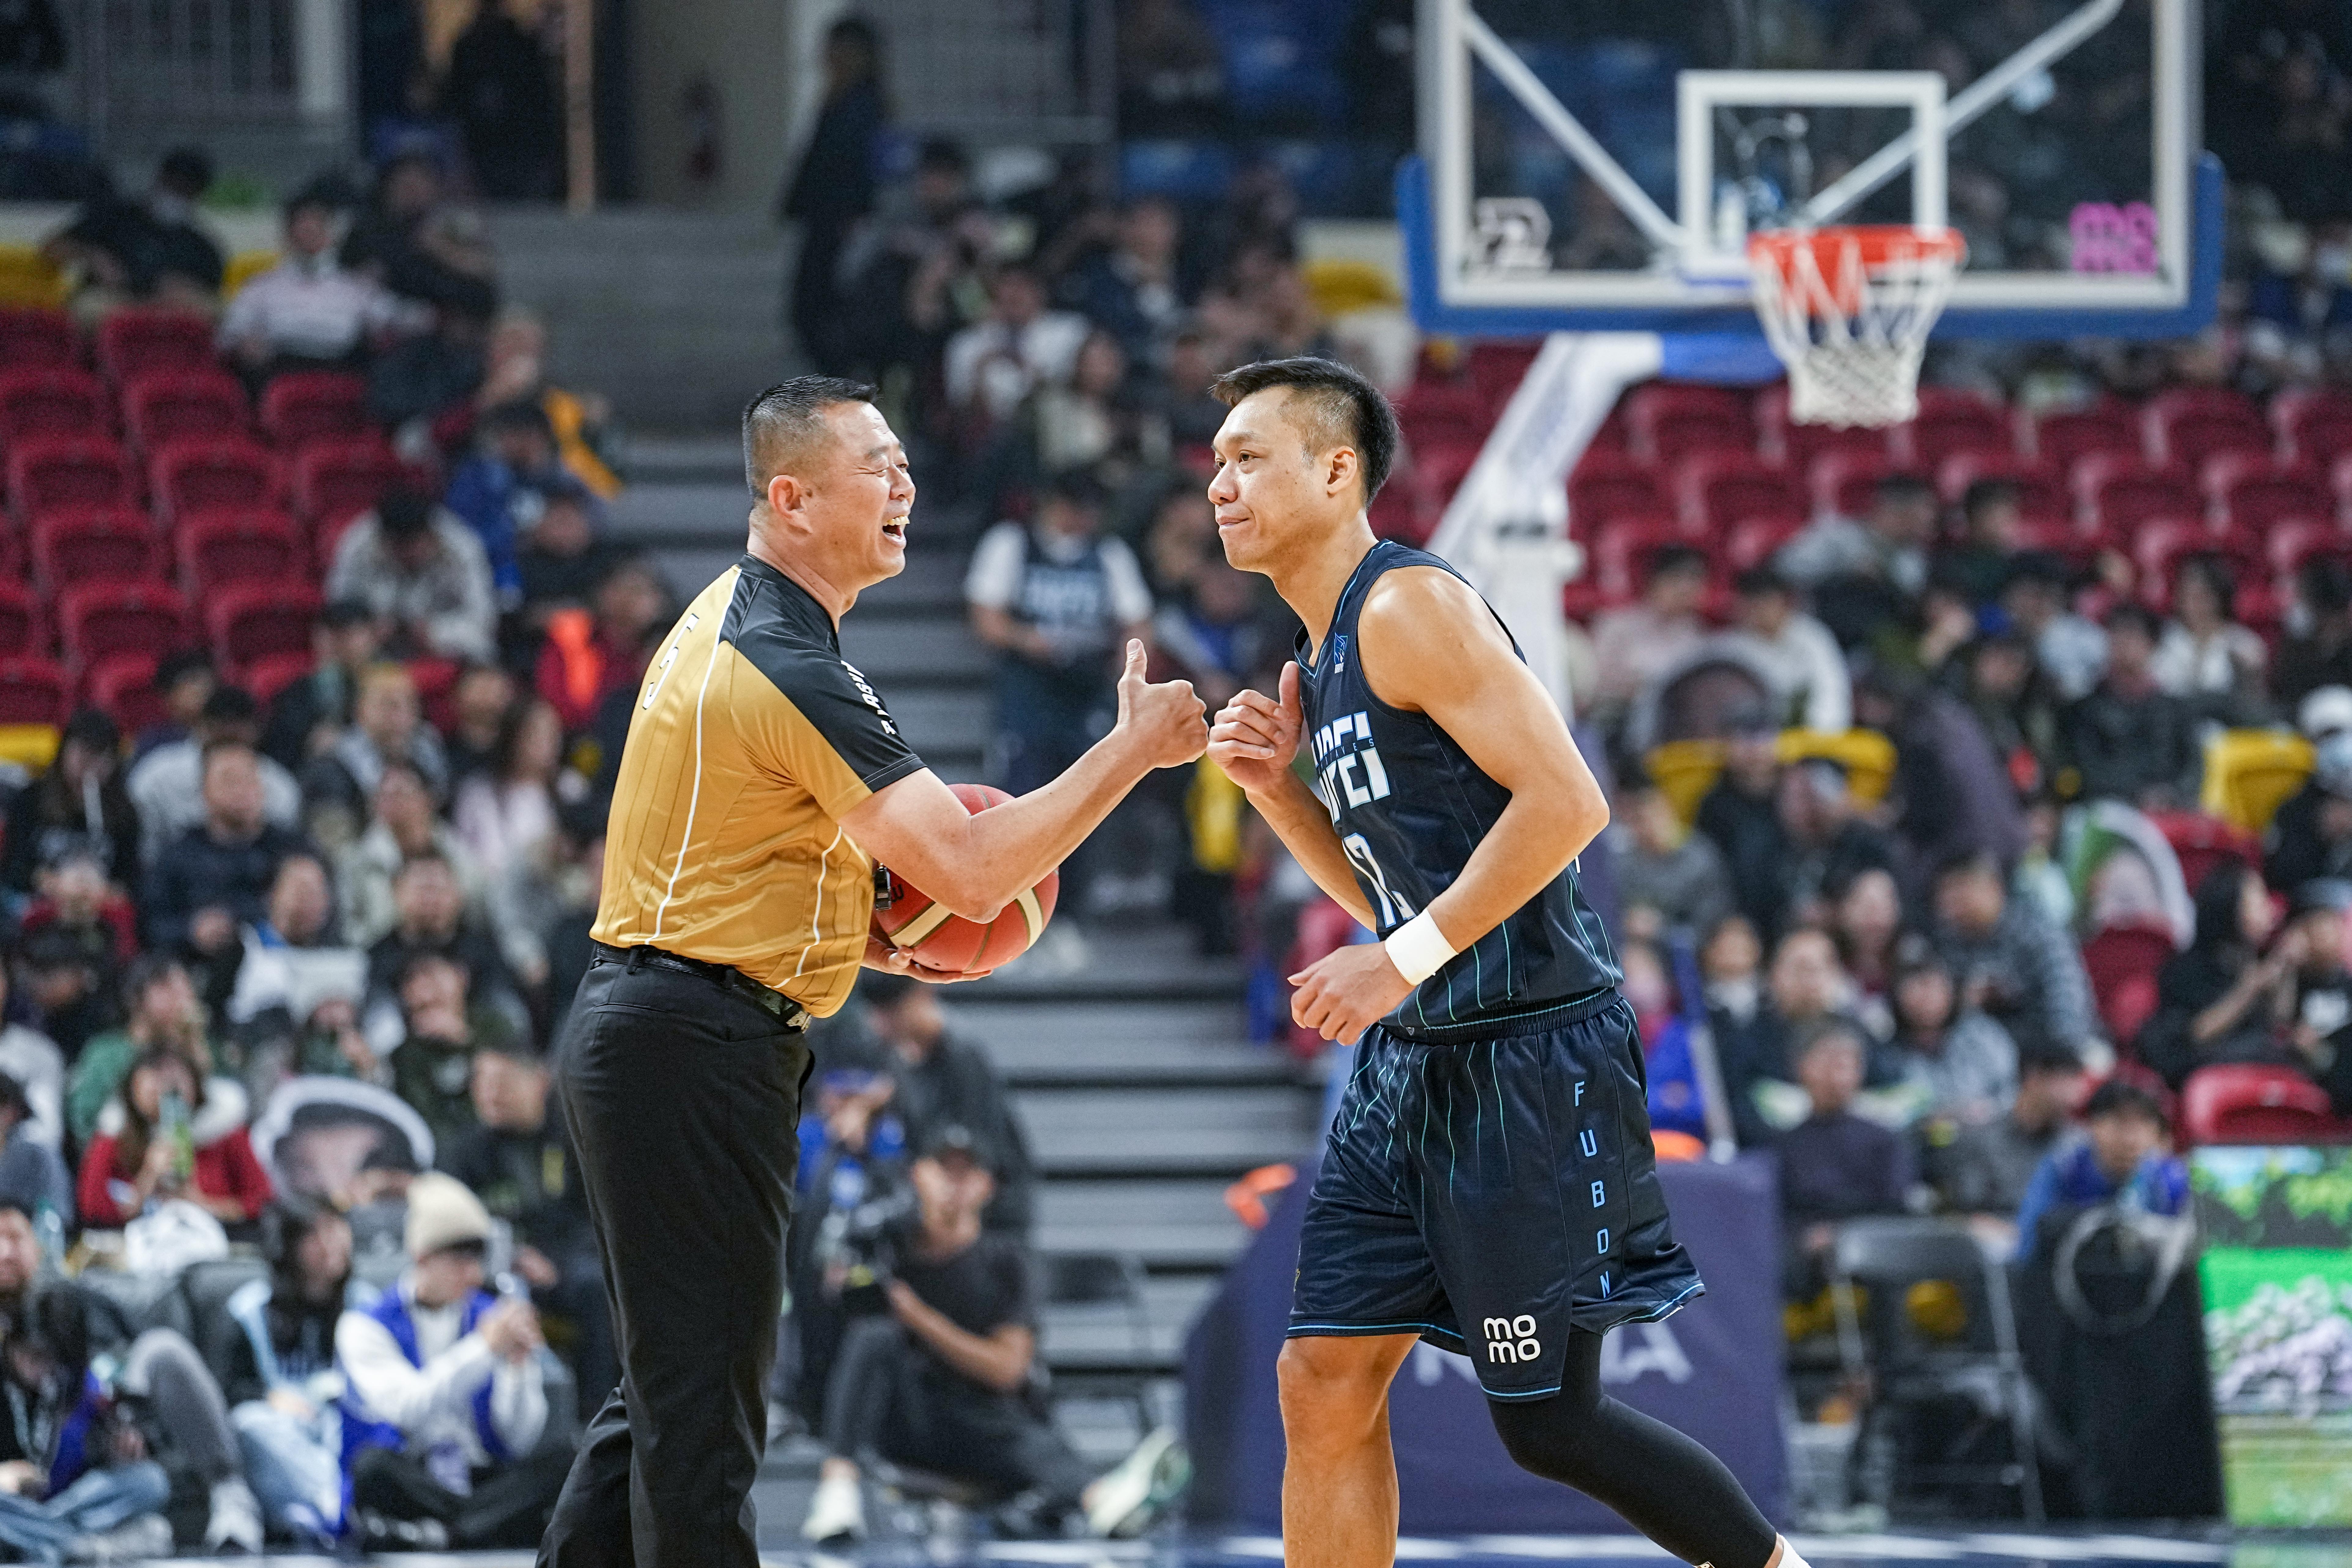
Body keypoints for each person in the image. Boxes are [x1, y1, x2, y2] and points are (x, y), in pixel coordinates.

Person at [537, 376, 1204, 1565]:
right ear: (792, 499)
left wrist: (856, 930)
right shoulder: (783, 658)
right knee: (700, 1424)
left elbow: (737, 857)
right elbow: (971, 870)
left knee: (666, 1401)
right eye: (878, 466)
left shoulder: (740, 617)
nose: (906, 484)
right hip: (687, 1041)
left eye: (904, 463)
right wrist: (1130, 750)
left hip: (672, 1026)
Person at [1198, 358, 1802, 1568]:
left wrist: (1398, 961)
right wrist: (1274, 790)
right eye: (1216, 462)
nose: (1219, 483)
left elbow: (1570, 803)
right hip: (1412, 1061)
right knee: (1321, 1376)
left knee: (1549, 1425)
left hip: (1526, 1052)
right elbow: (1390, 890)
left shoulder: (1405, 608)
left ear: (1335, 470)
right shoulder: (1322, 648)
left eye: (1247, 457)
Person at [799, 1130, 1175, 1543]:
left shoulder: (1006, 1262)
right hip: (906, 1418)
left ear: (987, 1185)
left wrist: (918, 1317)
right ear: (917, 1175)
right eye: (943, 1170)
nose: (953, 1184)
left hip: (980, 1423)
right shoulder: (885, 1251)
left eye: (966, 1172)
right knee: (874, 1335)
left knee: (1009, 1421)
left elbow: (1007, 1371)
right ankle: (837, 1491)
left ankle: (1103, 1499)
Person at [336, 1172, 567, 1550]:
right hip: (414, 1474)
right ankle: (484, 1527)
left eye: (478, 1260)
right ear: (422, 1257)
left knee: (567, 1461)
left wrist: (518, 1368)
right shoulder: (365, 1326)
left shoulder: (489, 1314)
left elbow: (518, 1441)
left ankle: (447, 1534)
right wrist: (484, 1349)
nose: (473, 1275)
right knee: (371, 1468)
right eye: (460, 1261)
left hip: (479, 1475)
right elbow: (409, 1408)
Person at [965, 470, 1156, 923]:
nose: (1083, 519)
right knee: (1018, 800)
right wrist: (1030, 640)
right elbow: (985, 617)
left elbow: (1138, 621)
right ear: (1054, 504)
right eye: (1077, 507)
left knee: (1081, 807)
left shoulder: (1108, 553)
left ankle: (1066, 914)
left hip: (1084, 692)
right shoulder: (1012, 543)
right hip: (1028, 693)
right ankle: (1013, 913)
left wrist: (1126, 672)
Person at [439, 1040, 611, 1409]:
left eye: (502, 1081)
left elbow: (598, 1217)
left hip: (566, 1269)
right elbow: (450, 1226)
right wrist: (511, 1256)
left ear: (540, 1081)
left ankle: (598, 1414)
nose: (490, 1094)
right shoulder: (464, 1153)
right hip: (487, 1272)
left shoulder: (577, 1139)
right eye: (481, 1081)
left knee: (601, 1288)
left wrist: (555, 1263)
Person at [221, 1198, 370, 1543]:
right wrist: (270, 1397)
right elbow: (228, 1391)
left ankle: (321, 1513)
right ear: (288, 1247)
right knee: (249, 1423)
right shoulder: (251, 1309)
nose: (332, 1244)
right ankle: (334, 1508)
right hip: (285, 1435)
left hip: (343, 1431)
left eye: (337, 1229)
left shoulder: (367, 1306)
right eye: (317, 1234)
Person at [857, 972, 1036, 1234]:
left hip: (986, 1219)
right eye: (877, 1012)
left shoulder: (965, 1057)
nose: (880, 1024)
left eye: (893, 1010)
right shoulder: (894, 1060)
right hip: (930, 1210)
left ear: (922, 993)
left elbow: (984, 1157)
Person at [217, 181, 411, 382]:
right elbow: (229, 333)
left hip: (344, 371)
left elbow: (398, 317)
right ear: (288, 234)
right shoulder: (263, 286)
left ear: (331, 232)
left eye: (317, 225)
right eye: (302, 227)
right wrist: (245, 341)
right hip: (279, 371)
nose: (309, 233)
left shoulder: (356, 286)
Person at [780, 16, 887, 377]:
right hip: (825, 217)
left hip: (836, 220)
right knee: (813, 308)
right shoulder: (843, 101)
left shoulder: (859, 105)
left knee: (818, 308)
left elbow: (852, 166)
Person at [1776, 1020, 1914, 1298]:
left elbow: (1897, 1206)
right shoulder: (1783, 1146)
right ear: (1802, 1067)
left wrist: (1840, 1232)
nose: (1838, 1076)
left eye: (1847, 1065)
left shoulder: (1884, 1140)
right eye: (1828, 1062)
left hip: (1875, 1251)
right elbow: (1780, 1212)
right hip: (1807, 1262)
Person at [140, 740, 311, 961]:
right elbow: (152, 924)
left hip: (288, 963)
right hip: (200, 968)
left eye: (250, 778)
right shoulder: (178, 856)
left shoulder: (294, 851)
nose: (242, 789)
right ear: (204, 791)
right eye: (229, 780)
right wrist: (191, 932)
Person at [76, 1046, 272, 1229]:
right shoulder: (114, 1139)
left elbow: (259, 1201)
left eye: (175, 1082)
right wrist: (148, 1178)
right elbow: (94, 1210)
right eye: (155, 1083)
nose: (166, 1092)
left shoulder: (225, 1132)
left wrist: (201, 1203)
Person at [1932, 850, 2100, 1051]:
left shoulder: (2037, 930)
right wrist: (1964, 1000)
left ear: (1994, 888)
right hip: (1977, 1055)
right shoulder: (1943, 943)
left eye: (1961, 891)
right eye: (1945, 894)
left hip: (2045, 1048)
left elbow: (2069, 1006)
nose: (1952, 903)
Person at [2139, 863, 2290, 1086]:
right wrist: (2249, 989)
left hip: (2254, 1071)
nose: (2269, 910)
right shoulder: (2188, 970)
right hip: (2201, 1075)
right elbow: (2197, 1034)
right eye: (2258, 902)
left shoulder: (2255, 961)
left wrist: (2287, 966)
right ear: (2229, 909)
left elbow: (2279, 1022)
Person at [125, 685, 303, 867]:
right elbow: (141, 848)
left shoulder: (279, 786)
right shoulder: (157, 776)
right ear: (202, 726)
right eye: (222, 726)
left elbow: (285, 852)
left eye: (238, 729)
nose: (230, 735)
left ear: (256, 732)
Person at [1933, 1040, 2088, 1247]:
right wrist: (2019, 1235)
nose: (2075, 1095)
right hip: (1991, 1243)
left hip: (2055, 1244)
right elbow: (1963, 1213)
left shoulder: (2077, 1145)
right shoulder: (1980, 1138)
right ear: (2034, 1078)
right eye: (2066, 1080)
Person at [2013, 1077, 2189, 1258]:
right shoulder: (2065, 1167)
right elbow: (2027, 1242)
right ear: (2094, 1125)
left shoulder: (2169, 1179)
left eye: (2143, 1124)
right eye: (2121, 1123)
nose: (2131, 1139)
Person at [325, 488, 501, 663]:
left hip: (444, 644)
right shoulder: (358, 545)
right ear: (384, 541)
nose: (407, 556)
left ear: (430, 536)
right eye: (399, 549)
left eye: (413, 547)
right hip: (378, 644)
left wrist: (436, 633)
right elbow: (338, 609)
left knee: (481, 649)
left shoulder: (462, 549)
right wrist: (370, 627)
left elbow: (484, 621)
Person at [2063, 601, 2202, 808]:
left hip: (2168, 811)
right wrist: (2137, 795)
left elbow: (2192, 767)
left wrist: (2171, 796)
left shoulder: (2173, 710)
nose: (2124, 644)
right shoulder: (2086, 710)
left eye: (2133, 636)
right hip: (2108, 809)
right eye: (2116, 635)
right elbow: (2088, 770)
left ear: (2152, 645)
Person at [67, 955, 210, 1149]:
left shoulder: (194, 1048)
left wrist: (195, 1042)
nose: (182, 999)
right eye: (167, 988)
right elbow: (84, 1120)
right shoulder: (107, 1052)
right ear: (137, 998)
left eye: (186, 988)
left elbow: (215, 1109)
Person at [300, 662, 454, 833]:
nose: (402, 717)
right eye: (390, 706)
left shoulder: (427, 752)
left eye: (410, 705)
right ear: (361, 711)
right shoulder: (331, 768)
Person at [0, 710, 139, 896]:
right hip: (39, 901)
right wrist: (46, 882)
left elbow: (129, 878)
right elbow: (13, 867)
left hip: (99, 902)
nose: (91, 768)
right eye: (83, 756)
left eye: (101, 758)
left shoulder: (124, 812)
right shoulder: (31, 800)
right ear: (64, 753)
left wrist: (106, 890)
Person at [442, 399, 563, 603]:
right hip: (483, 567)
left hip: (543, 568)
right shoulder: (479, 476)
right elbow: (457, 530)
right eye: (515, 436)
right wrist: (518, 539)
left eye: (534, 437)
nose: (528, 445)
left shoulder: (559, 479)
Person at [443, 0, 560, 200]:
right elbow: (456, 104)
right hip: (479, 154)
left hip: (522, 151)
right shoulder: (467, 48)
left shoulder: (522, 47)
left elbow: (539, 103)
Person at [1695, 713, 1795, 941]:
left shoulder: (1794, 794)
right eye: (1743, 739)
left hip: (1787, 905)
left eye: (1761, 739)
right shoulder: (1714, 803)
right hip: (1730, 914)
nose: (1753, 750)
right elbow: (1708, 866)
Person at [1717, 565, 1851, 732]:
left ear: (1785, 602)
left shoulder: (1813, 636)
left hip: (1815, 738)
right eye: (1754, 603)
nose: (1762, 610)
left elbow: (1832, 690)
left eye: (1768, 601)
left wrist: (1819, 737)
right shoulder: (1728, 648)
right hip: (1754, 740)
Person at [263, 600, 385, 771]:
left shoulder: (393, 686)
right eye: (333, 636)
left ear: (373, 637)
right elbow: (280, 756)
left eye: (349, 635)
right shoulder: (298, 694)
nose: (341, 645)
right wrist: (310, 743)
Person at [1589, 544, 1709, 716]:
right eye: (1675, 581)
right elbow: (1594, 686)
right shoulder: (1617, 626)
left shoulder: (1696, 635)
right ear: (1653, 583)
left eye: (1693, 583)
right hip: (1619, 714)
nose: (1684, 591)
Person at [1612, 774, 1732, 943]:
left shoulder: (1700, 859)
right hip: (1636, 946)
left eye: (1657, 815)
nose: (1651, 826)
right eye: (1641, 819)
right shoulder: (1623, 863)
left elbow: (1711, 925)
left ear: (1669, 812)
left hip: (1693, 948)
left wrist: (1660, 929)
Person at [2152, 554, 2268, 714]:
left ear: (2219, 598)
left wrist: (2248, 673)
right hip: (2174, 719)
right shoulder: (2164, 639)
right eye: (2188, 595)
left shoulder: (2243, 643)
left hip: (2225, 719)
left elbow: (2254, 700)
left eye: (2202, 595)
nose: (2194, 604)